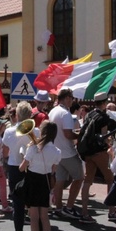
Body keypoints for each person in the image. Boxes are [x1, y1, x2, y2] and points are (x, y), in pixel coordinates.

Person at [19, 121, 61, 231]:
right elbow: (53, 169)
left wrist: (26, 154)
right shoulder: (57, 151)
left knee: (34, 218)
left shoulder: (32, 148)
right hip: (45, 182)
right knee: (45, 217)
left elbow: (21, 167)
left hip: (32, 182)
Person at [3, 101, 37, 231]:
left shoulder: (9, 131)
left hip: (15, 167)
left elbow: (5, 152)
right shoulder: (37, 131)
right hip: (32, 169)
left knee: (17, 203)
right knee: (34, 203)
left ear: (16, 115)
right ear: (30, 114)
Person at [47, 88, 84, 219]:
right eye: (71, 98)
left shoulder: (52, 111)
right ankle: (69, 207)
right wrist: (79, 135)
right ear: (67, 98)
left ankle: (58, 208)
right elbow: (68, 134)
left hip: (55, 152)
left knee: (59, 181)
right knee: (79, 177)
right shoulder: (65, 113)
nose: (72, 101)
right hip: (67, 152)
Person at [78, 93, 115, 223]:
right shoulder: (103, 117)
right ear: (104, 103)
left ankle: (84, 212)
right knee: (110, 179)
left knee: (87, 180)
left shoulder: (90, 115)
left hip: (88, 152)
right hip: (100, 152)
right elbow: (104, 136)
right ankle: (111, 211)